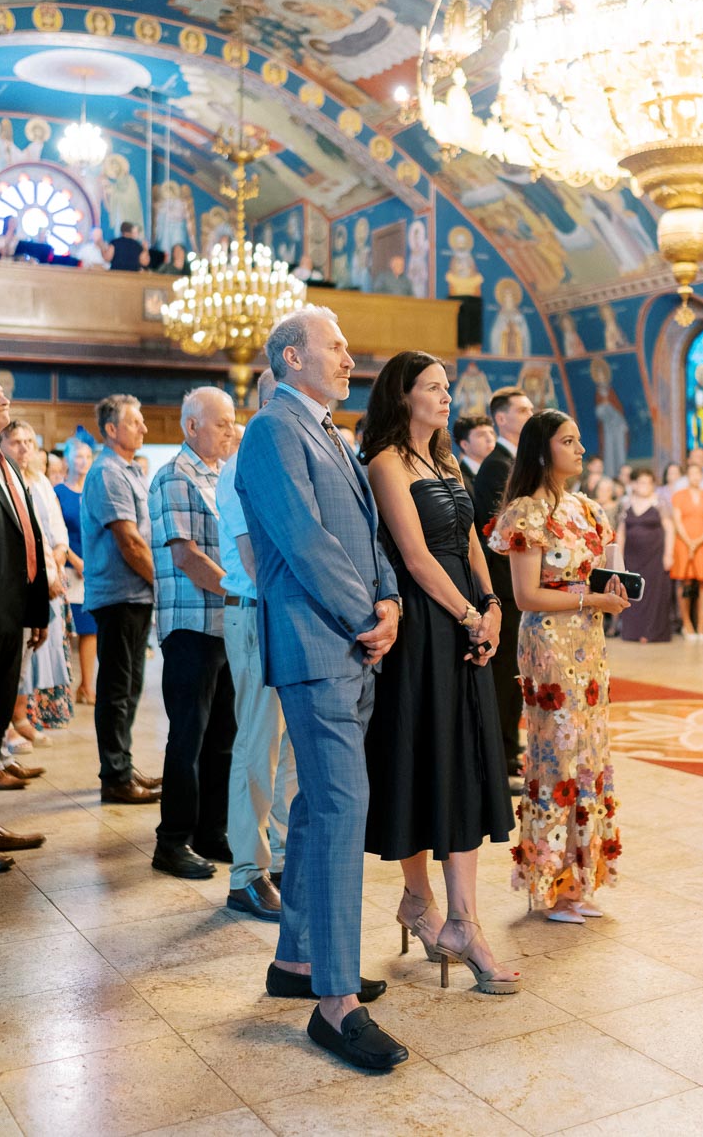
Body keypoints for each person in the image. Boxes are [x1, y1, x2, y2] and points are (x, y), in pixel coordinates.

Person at [235, 307, 408, 1072]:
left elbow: (367, 535)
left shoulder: (332, 434)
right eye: (336, 347)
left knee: (315, 807)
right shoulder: (271, 430)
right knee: (342, 808)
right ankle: (335, 1005)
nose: (348, 359)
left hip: (354, 640)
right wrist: (363, 610)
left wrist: (392, 598)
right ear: (294, 355)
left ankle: (299, 959)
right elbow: (302, 538)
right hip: (317, 643)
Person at [362, 352, 518, 995]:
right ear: (403, 397)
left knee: (466, 761)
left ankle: (463, 919)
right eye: (432, 387)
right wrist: (464, 614)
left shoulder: (448, 460)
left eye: (447, 388)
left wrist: (492, 607)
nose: (446, 397)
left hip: (464, 618)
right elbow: (415, 555)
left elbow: (470, 542)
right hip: (423, 626)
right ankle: (420, 900)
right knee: (422, 760)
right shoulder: (385, 464)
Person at [490, 410, 628, 923]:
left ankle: (580, 879)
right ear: (543, 450)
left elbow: (590, 578)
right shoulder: (527, 512)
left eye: (579, 439)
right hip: (549, 643)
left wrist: (606, 592)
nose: (581, 448)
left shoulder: (585, 509)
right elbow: (526, 595)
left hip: (588, 642)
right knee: (557, 756)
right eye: (568, 441)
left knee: (589, 752)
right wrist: (588, 599)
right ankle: (550, 884)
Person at [218, 370, 297, 922]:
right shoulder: (243, 463)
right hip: (257, 613)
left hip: (287, 617)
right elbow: (253, 560)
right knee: (256, 744)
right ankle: (246, 871)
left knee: (290, 747)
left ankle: (287, 855)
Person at [149, 387, 237, 877]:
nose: (229, 430)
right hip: (191, 625)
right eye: (221, 422)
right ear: (191, 426)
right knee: (188, 735)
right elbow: (185, 557)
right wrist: (240, 591)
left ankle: (211, 831)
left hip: (225, 625)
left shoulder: (222, 476)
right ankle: (172, 840)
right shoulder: (174, 476)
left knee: (223, 735)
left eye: (231, 422)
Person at [81, 394, 160, 804]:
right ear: (111, 429)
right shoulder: (109, 472)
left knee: (129, 685)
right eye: (134, 422)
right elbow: (129, 542)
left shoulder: (128, 470)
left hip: (134, 594)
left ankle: (123, 765)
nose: (143, 428)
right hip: (119, 594)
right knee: (116, 687)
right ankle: (114, 776)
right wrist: (162, 583)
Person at [0, 381, 49, 864]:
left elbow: (27, 539)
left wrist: (37, 613)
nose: (3, 399)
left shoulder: (10, 466)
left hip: (12, 613)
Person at [473, 387, 534, 783]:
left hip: (518, 581)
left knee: (515, 670)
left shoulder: (519, 461)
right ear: (502, 419)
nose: (531, 414)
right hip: (504, 581)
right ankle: (500, 752)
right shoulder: (498, 465)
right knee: (504, 672)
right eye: (523, 410)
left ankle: (510, 747)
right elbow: (501, 525)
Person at [1, 420, 72, 737]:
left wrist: (54, 568)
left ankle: (17, 722)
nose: (25, 448)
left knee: (28, 653)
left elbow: (52, 533)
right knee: (13, 656)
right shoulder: (8, 478)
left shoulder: (38, 480)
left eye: (30, 441)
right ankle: (12, 723)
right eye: (17, 441)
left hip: (42, 577)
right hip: (15, 583)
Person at [55, 437, 97, 705]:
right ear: (68, 459)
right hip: (69, 567)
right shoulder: (59, 492)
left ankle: (87, 686)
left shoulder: (95, 490)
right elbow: (55, 531)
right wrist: (75, 559)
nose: (83, 462)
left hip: (92, 567)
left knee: (90, 628)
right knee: (65, 629)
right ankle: (59, 688)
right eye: (78, 457)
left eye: (87, 457)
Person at [617, 468, 673, 643]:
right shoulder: (626, 503)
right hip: (632, 557)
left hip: (655, 556)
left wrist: (669, 554)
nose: (645, 486)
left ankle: (651, 632)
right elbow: (621, 532)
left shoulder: (660, 503)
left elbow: (670, 529)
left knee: (654, 593)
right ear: (634, 484)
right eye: (641, 482)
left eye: (648, 482)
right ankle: (633, 631)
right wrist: (618, 557)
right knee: (633, 592)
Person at [670, 461, 703, 641]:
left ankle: (701, 624)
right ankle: (687, 623)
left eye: (698, 474)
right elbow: (677, 520)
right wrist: (690, 542)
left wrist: (698, 542)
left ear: (702, 476)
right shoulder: (679, 496)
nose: (695, 477)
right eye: (691, 474)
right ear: (687, 477)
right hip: (683, 543)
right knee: (686, 583)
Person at [452, 413, 496, 497]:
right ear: (465, 444)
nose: (490, 439)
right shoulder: (458, 480)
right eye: (481, 435)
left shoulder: (498, 471)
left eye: (491, 433)